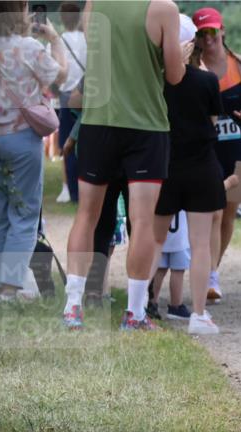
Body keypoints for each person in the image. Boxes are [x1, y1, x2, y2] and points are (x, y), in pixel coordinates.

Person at [61, 0, 184, 329]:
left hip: (98, 122)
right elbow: (174, 76)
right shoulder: (164, 9)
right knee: (142, 221)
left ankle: (73, 307)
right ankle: (135, 313)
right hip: (146, 127)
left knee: (87, 214)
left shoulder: (93, 5)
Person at [0, 1, 67, 302]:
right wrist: (55, 39)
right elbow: (60, 78)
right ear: (20, 9)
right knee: (23, 217)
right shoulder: (30, 47)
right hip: (20, 140)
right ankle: (8, 293)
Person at [154, 13, 232, 336]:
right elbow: (213, 123)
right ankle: (198, 314)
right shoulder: (208, 80)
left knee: (154, 238)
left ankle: (140, 305)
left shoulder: (156, 79)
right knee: (200, 245)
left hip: (166, 163)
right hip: (202, 165)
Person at [195, 7, 241, 305]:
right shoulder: (191, 65)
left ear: (222, 30)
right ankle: (208, 272)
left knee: (228, 213)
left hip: (237, 146)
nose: (209, 38)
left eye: (212, 31)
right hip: (207, 148)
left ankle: (213, 271)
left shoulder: (240, 64)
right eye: (202, 33)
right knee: (212, 211)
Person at [56, 2, 85, 204]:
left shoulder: (58, 41)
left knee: (67, 143)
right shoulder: (87, 39)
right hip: (87, 92)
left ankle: (72, 191)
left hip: (67, 96)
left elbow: (56, 75)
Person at [149, 210, 191, 321]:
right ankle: (176, 306)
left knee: (159, 269)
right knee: (178, 270)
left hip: (160, 232)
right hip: (180, 234)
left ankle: (152, 303)